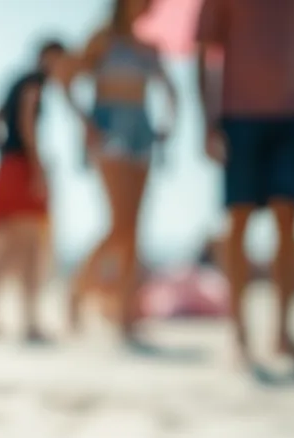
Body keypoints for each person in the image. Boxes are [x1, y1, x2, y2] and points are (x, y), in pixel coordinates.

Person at [196, 0, 294, 366]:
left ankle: (283, 332)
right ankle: (239, 330)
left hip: (290, 117)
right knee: (238, 220)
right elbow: (206, 55)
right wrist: (206, 121)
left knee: (287, 221)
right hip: (238, 117)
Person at [61, 0, 178, 340]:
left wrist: (170, 121)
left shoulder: (150, 43)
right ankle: (79, 288)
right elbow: (68, 77)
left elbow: (169, 86)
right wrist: (85, 121)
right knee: (119, 223)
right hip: (109, 126)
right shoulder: (102, 39)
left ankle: (125, 308)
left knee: (134, 227)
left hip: (141, 128)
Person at [0, 39, 68, 342]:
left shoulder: (18, 81)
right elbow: (27, 122)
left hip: (8, 167)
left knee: (10, 248)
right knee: (32, 246)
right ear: (48, 58)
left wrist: (4, 151)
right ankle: (30, 321)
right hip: (23, 169)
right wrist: (35, 165)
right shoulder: (34, 83)